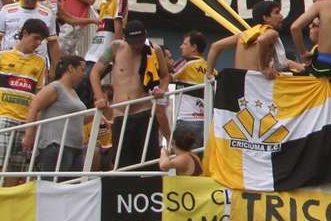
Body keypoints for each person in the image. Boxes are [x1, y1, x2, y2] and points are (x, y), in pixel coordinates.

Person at [90, 20, 169, 168]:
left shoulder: (155, 49)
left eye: (139, 42)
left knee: (148, 161)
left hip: (144, 112)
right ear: (126, 39)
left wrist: (162, 90)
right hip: (121, 114)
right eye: (133, 43)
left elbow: (165, 76)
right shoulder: (116, 47)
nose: (136, 46)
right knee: (123, 162)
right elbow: (95, 72)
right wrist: (100, 97)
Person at [0, 17, 48, 173]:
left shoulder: (41, 61)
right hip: (1, 114)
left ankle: (8, 195)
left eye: (41, 40)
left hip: (25, 118)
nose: (38, 43)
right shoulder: (1, 55)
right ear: (25, 33)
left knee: (17, 166)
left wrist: (33, 126)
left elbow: (39, 94)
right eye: (36, 38)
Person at [20, 56, 90, 179]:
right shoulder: (55, 87)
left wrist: (99, 114)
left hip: (75, 147)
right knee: (53, 186)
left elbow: (78, 119)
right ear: (71, 68)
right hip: (56, 145)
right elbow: (34, 106)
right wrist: (29, 134)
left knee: (72, 188)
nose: (83, 74)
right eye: (82, 69)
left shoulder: (73, 92)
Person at [167, 32, 208, 160]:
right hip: (205, 122)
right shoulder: (209, 67)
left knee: (182, 161)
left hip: (186, 121)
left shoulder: (186, 63)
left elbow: (166, 77)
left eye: (184, 44)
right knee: (198, 162)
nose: (180, 46)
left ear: (194, 47)